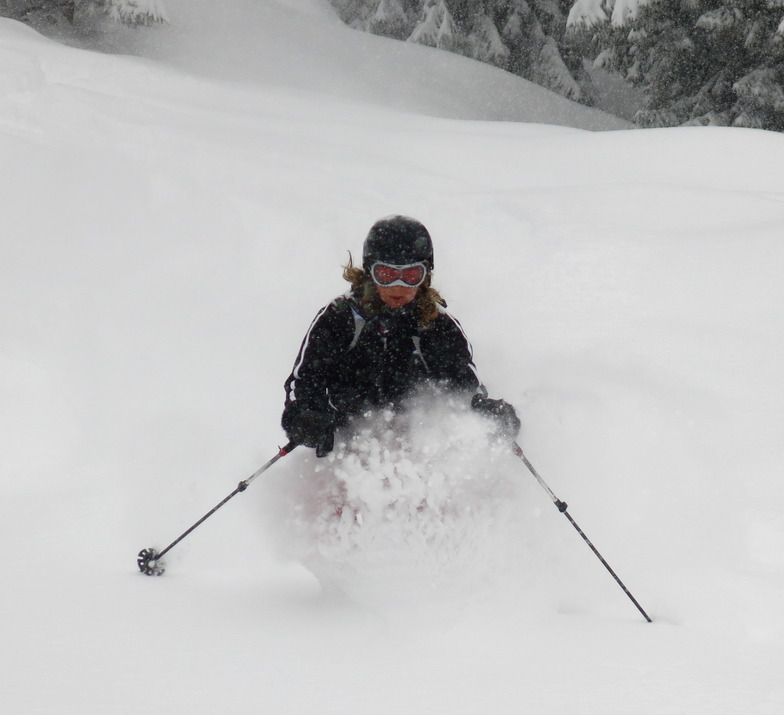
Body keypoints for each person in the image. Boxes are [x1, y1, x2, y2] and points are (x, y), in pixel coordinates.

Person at [282, 215, 520, 456]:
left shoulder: (436, 325)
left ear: (425, 275)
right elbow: (305, 381)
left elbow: (463, 387)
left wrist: (486, 413)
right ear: (369, 272)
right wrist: (303, 416)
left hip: (419, 447)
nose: (399, 287)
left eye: (410, 276)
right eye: (386, 274)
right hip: (345, 443)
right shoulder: (340, 318)